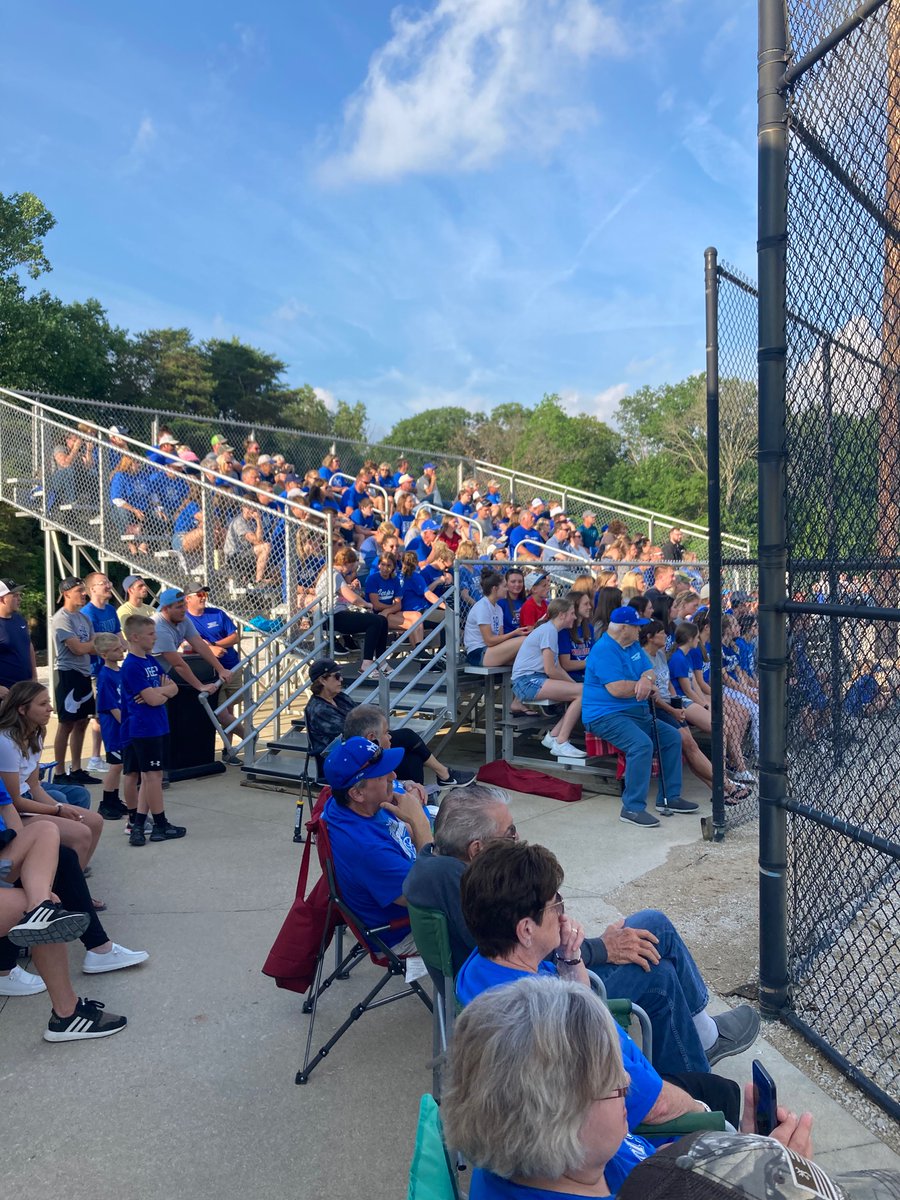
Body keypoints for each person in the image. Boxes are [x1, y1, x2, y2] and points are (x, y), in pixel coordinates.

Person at [403, 785, 758, 1076]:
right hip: (544, 992)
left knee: (654, 926)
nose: (518, 836)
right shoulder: (470, 889)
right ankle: (699, 1068)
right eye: (509, 832)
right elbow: (529, 945)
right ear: (476, 849)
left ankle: (702, 1036)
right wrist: (601, 947)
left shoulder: (432, 865)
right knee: (658, 971)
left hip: (525, 980)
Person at [456, 840, 744, 1132]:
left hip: (610, 1078)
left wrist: (570, 957)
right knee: (727, 1095)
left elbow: (581, 1000)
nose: (564, 915)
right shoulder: (562, 1022)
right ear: (526, 930)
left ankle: (700, 1045)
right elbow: (655, 1106)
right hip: (634, 1121)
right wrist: (705, 1113)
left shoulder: (483, 964)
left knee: (660, 968)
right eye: (556, 904)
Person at [442, 976, 655, 1197]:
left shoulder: (581, 1157)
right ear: (554, 1113)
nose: (626, 1080)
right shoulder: (582, 1155)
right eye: (607, 1081)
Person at [583, 606, 698, 827]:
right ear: (624, 628)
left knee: (673, 737)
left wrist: (646, 680)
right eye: (637, 627)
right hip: (605, 715)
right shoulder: (604, 649)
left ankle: (669, 798)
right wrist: (643, 684)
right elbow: (616, 689)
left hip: (635, 712)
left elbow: (650, 670)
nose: (640, 631)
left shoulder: (632, 644)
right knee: (641, 745)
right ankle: (632, 808)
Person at [321, 737, 434, 952]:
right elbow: (428, 897)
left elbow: (401, 831)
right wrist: (420, 822)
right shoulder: (366, 848)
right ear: (357, 793)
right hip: (407, 930)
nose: (394, 776)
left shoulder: (347, 805)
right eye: (383, 775)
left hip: (414, 883)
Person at [304, 660, 474, 786]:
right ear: (323, 680)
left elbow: (362, 721)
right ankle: (444, 774)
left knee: (412, 758)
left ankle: (418, 800)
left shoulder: (341, 698)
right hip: (343, 759)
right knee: (407, 736)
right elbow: (351, 735)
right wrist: (379, 733)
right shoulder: (318, 709)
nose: (341, 679)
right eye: (336, 676)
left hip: (364, 747)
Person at [640, 623, 751, 806]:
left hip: (671, 706)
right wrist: (673, 709)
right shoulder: (645, 658)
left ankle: (720, 791)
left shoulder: (660, 654)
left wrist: (676, 703)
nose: (666, 636)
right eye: (661, 633)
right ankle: (726, 785)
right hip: (658, 709)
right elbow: (653, 695)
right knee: (689, 745)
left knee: (691, 748)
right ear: (650, 637)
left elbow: (668, 685)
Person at [0, 681, 101, 865]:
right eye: (43, 704)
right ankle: (64, 886)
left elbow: (34, 785)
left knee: (94, 821)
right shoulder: (5, 742)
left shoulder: (36, 733)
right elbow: (13, 801)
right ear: (22, 709)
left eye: (48, 702)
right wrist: (57, 809)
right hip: (11, 812)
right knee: (81, 832)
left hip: (27, 798)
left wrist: (60, 808)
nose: (50, 708)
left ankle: (74, 880)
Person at [121, 615, 186, 847]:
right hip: (143, 728)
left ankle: (139, 824)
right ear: (135, 637)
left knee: (152, 777)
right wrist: (162, 692)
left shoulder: (150, 661)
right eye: (150, 634)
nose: (155, 637)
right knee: (152, 777)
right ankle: (160, 823)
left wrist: (162, 690)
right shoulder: (132, 665)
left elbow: (174, 687)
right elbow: (152, 700)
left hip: (159, 725)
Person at [511, 597, 586, 759]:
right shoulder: (549, 631)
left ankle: (554, 737)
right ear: (562, 615)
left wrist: (572, 685)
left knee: (582, 692)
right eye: (572, 613)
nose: (574, 617)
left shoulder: (551, 630)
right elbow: (551, 669)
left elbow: (556, 668)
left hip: (531, 679)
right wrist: (574, 687)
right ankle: (560, 741)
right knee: (583, 692)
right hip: (526, 681)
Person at [51, 576, 101, 786]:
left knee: (83, 720)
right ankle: (60, 772)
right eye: (79, 590)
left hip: (82, 673)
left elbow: (93, 644)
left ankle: (77, 768)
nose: (84, 594)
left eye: (84, 590)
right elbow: (79, 648)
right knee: (66, 723)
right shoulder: (62, 618)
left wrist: (92, 644)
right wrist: (93, 643)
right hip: (67, 673)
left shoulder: (83, 618)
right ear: (66, 593)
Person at [315, 547, 390, 675]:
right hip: (332, 617)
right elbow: (353, 599)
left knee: (382, 620)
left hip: (337, 614)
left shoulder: (335, 574)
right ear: (346, 563)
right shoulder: (333, 574)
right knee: (375, 621)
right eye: (352, 568)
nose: (351, 572)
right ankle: (366, 663)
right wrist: (368, 605)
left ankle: (381, 661)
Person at [184, 586, 243, 743]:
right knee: (221, 713)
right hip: (209, 673)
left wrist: (215, 644)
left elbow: (235, 637)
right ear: (187, 599)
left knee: (228, 711)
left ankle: (228, 750)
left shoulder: (217, 613)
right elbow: (185, 645)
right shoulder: (184, 620)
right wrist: (211, 649)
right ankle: (249, 736)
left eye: (205, 594)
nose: (203, 597)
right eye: (199, 594)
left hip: (231, 667)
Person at [80, 571, 124, 775]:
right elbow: (93, 641)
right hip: (97, 669)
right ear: (92, 589)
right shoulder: (88, 613)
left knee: (108, 710)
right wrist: (109, 642)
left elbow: (117, 635)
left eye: (108, 581)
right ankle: (96, 757)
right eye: (102, 583)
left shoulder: (110, 610)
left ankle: (104, 754)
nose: (108, 585)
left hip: (112, 666)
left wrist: (120, 645)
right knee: (101, 714)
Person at [152, 587, 233, 697]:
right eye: (179, 607)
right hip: (146, 676)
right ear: (165, 609)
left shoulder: (183, 620)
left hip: (160, 675)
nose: (184, 609)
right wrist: (200, 686)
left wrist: (221, 670)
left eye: (184, 605)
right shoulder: (159, 627)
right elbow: (178, 664)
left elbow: (200, 644)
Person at [93, 632, 129, 820]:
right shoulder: (105, 676)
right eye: (115, 649)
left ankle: (114, 799)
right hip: (114, 728)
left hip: (123, 725)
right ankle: (106, 802)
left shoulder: (120, 672)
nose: (121, 650)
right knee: (115, 765)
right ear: (105, 655)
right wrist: (127, 724)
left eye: (120, 647)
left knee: (120, 764)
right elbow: (112, 707)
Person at [463, 571, 529, 667]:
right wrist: (514, 633)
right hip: (478, 653)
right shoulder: (482, 607)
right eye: (504, 586)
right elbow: (489, 640)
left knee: (529, 659)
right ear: (495, 589)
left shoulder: (498, 608)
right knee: (524, 640)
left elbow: (500, 636)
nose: (507, 589)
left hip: (492, 650)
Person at [0, 579, 36, 699]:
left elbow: (28, 646)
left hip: (24, 690)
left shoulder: (19, 619)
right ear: (2, 599)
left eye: (19, 595)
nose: (19, 599)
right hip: (5, 694)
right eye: (15, 595)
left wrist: (34, 677)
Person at [558, 589, 594, 680]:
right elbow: (566, 664)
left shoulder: (589, 628)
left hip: (589, 674)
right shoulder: (563, 631)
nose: (590, 607)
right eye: (586, 604)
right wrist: (592, 662)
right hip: (572, 678)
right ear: (575, 606)